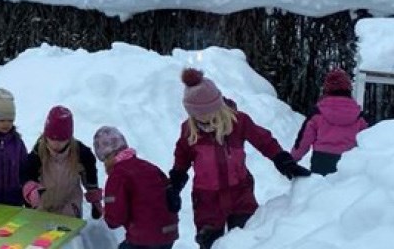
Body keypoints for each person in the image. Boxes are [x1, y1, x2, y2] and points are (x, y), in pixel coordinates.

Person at [166, 68, 310, 248]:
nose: (203, 120)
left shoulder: (238, 122)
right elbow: (182, 157)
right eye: (198, 116)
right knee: (211, 243)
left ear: (218, 106)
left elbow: (263, 140)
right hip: (207, 200)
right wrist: (175, 183)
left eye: (208, 113)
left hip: (240, 193)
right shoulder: (189, 130)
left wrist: (282, 160)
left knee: (245, 240)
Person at [93, 126, 179, 249]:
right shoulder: (150, 167)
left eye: (104, 160)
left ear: (107, 156)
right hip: (169, 232)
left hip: (145, 237)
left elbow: (115, 218)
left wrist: (106, 213)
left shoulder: (118, 176)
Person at [20, 105, 102, 219]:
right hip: (43, 204)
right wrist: (31, 191)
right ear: (46, 136)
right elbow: (26, 174)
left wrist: (95, 200)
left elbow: (90, 174)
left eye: (61, 140)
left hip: (69, 203)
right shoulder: (38, 153)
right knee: (41, 232)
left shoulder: (80, 153)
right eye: (52, 139)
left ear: (69, 138)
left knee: (67, 231)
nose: (56, 144)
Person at [291, 69, 369, 175]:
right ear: (349, 89)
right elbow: (368, 141)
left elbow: (304, 139)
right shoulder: (358, 115)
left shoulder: (318, 112)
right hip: (348, 162)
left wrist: (292, 160)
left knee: (321, 191)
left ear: (327, 88)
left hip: (321, 160)